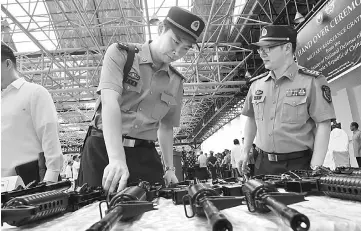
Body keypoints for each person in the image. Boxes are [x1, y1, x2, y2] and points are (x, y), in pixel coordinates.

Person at [78, 7, 205, 193]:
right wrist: (116, 159)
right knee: (95, 210)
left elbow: (166, 127)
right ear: (161, 29)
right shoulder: (122, 55)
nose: (177, 52)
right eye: (175, 41)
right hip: (103, 150)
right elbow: (109, 102)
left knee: (154, 212)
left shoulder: (176, 82)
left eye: (185, 48)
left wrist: (170, 169)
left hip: (144, 154)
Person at [240, 25, 335, 175]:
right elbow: (251, 119)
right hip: (262, 165)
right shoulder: (256, 85)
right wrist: (245, 151)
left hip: (298, 164)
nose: (262, 54)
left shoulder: (312, 81)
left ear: (287, 48)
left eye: (268, 48)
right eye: (260, 49)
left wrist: (315, 167)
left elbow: (324, 124)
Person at [1, 43, 63, 183]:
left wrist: (51, 179)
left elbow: (49, 134)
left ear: (8, 64)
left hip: (32, 180)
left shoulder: (34, 93)